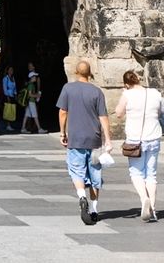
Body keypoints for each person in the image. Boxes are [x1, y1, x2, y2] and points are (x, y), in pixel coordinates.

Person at [56, 59, 111, 225]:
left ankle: (81, 196)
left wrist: (62, 132)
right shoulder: (97, 92)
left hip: (76, 138)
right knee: (95, 174)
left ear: (76, 72)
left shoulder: (68, 88)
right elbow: (103, 117)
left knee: (76, 170)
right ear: (90, 74)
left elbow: (63, 112)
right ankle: (94, 209)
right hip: (94, 139)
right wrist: (108, 139)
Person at [115, 68, 164, 223]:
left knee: (136, 173)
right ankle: (152, 207)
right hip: (153, 137)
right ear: (138, 80)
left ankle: (144, 198)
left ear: (126, 84)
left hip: (135, 139)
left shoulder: (127, 95)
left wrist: (124, 94)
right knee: (151, 174)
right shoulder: (154, 93)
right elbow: (161, 112)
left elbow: (118, 113)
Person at [21, 63, 43, 133]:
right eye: (34, 77)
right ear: (32, 77)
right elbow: (30, 94)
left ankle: (23, 128)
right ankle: (39, 129)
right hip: (31, 101)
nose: (36, 78)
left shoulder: (30, 84)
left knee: (26, 115)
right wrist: (37, 96)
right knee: (35, 115)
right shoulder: (31, 85)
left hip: (29, 101)